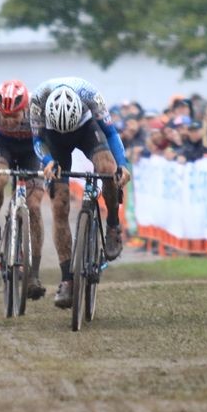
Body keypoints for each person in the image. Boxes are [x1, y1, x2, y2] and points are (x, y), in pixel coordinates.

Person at [28, 77, 130, 310]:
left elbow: (112, 134)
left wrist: (122, 165)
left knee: (107, 168)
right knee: (59, 207)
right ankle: (67, 279)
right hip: (54, 140)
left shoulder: (90, 94)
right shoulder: (37, 100)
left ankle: (113, 225)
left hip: (86, 130)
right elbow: (37, 139)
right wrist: (48, 161)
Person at [0, 80, 47, 299]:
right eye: (4, 116)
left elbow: (49, 143)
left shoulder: (39, 108)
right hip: (2, 147)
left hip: (32, 151)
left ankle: (34, 273)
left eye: (14, 116)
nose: (8, 120)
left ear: (25, 108)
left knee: (34, 207)